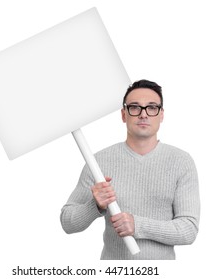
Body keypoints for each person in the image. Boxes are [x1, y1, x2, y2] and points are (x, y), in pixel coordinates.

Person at [60, 79, 200, 260]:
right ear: (124, 115)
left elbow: (189, 229)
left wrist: (138, 225)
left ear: (161, 114)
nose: (143, 114)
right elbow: (67, 223)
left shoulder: (181, 161)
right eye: (135, 107)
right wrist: (94, 206)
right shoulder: (98, 162)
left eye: (151, 107)